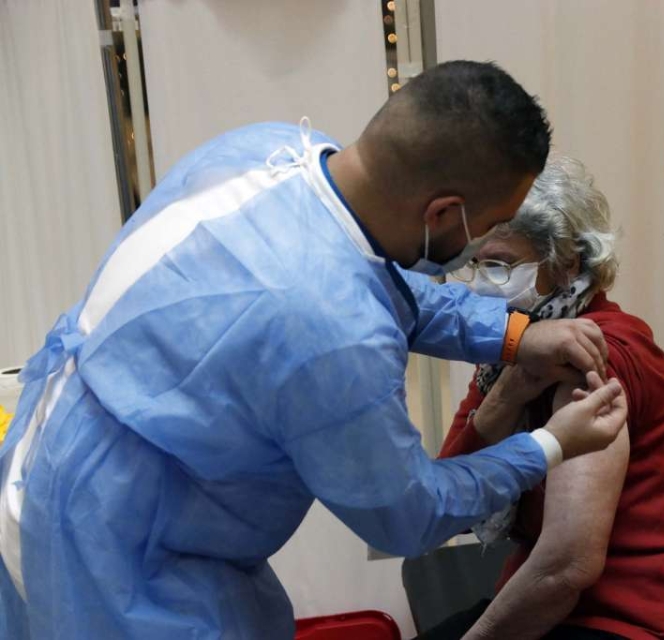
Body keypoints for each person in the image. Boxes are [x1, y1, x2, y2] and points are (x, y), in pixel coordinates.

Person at [0, 62, 628, 639]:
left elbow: (375, 284)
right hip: (113, 553)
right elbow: (408, 516)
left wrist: (513, 334)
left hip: (65, 458)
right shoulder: (336, 337)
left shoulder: (270, 152)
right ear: (443, 213)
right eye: (489, 226)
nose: (484, 247)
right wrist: (549, 445)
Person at [421, 157, 664, 640]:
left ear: (566, 263)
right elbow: (450, 504)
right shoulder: (511, 352)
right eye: (475, 263)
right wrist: (508, 393)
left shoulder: (595, 358)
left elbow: (567, 566)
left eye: (499, 265)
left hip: (641, 618)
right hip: (564, 606)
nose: (481, 282)